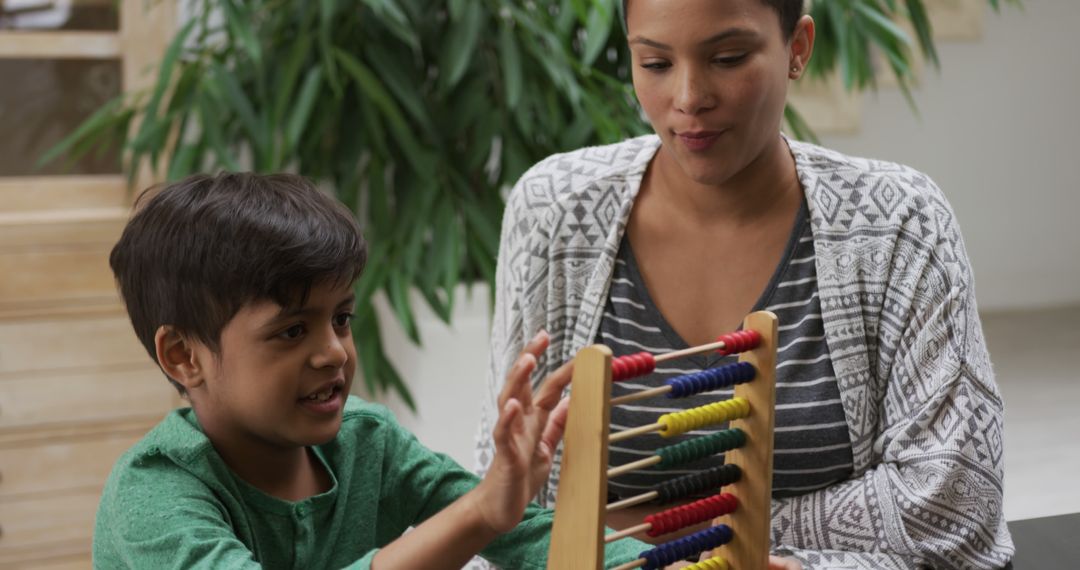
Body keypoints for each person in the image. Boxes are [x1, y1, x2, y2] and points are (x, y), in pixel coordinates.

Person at [475, 0, 1014, 568]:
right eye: (654, 63)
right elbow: (507, 501)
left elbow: (957, 505)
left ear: (797, 49)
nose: (688, 97)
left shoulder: (899, 224)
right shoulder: (554, 209)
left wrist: (651, 532)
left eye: (727, 58)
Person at [93, 173, 651, 569]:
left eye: (341, 318)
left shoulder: (369, 442)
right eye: (291, 331)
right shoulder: (152, 496)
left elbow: (526, 530)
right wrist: (480, 513)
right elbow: (481, 513)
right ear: (183, 357)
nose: (334, 352)